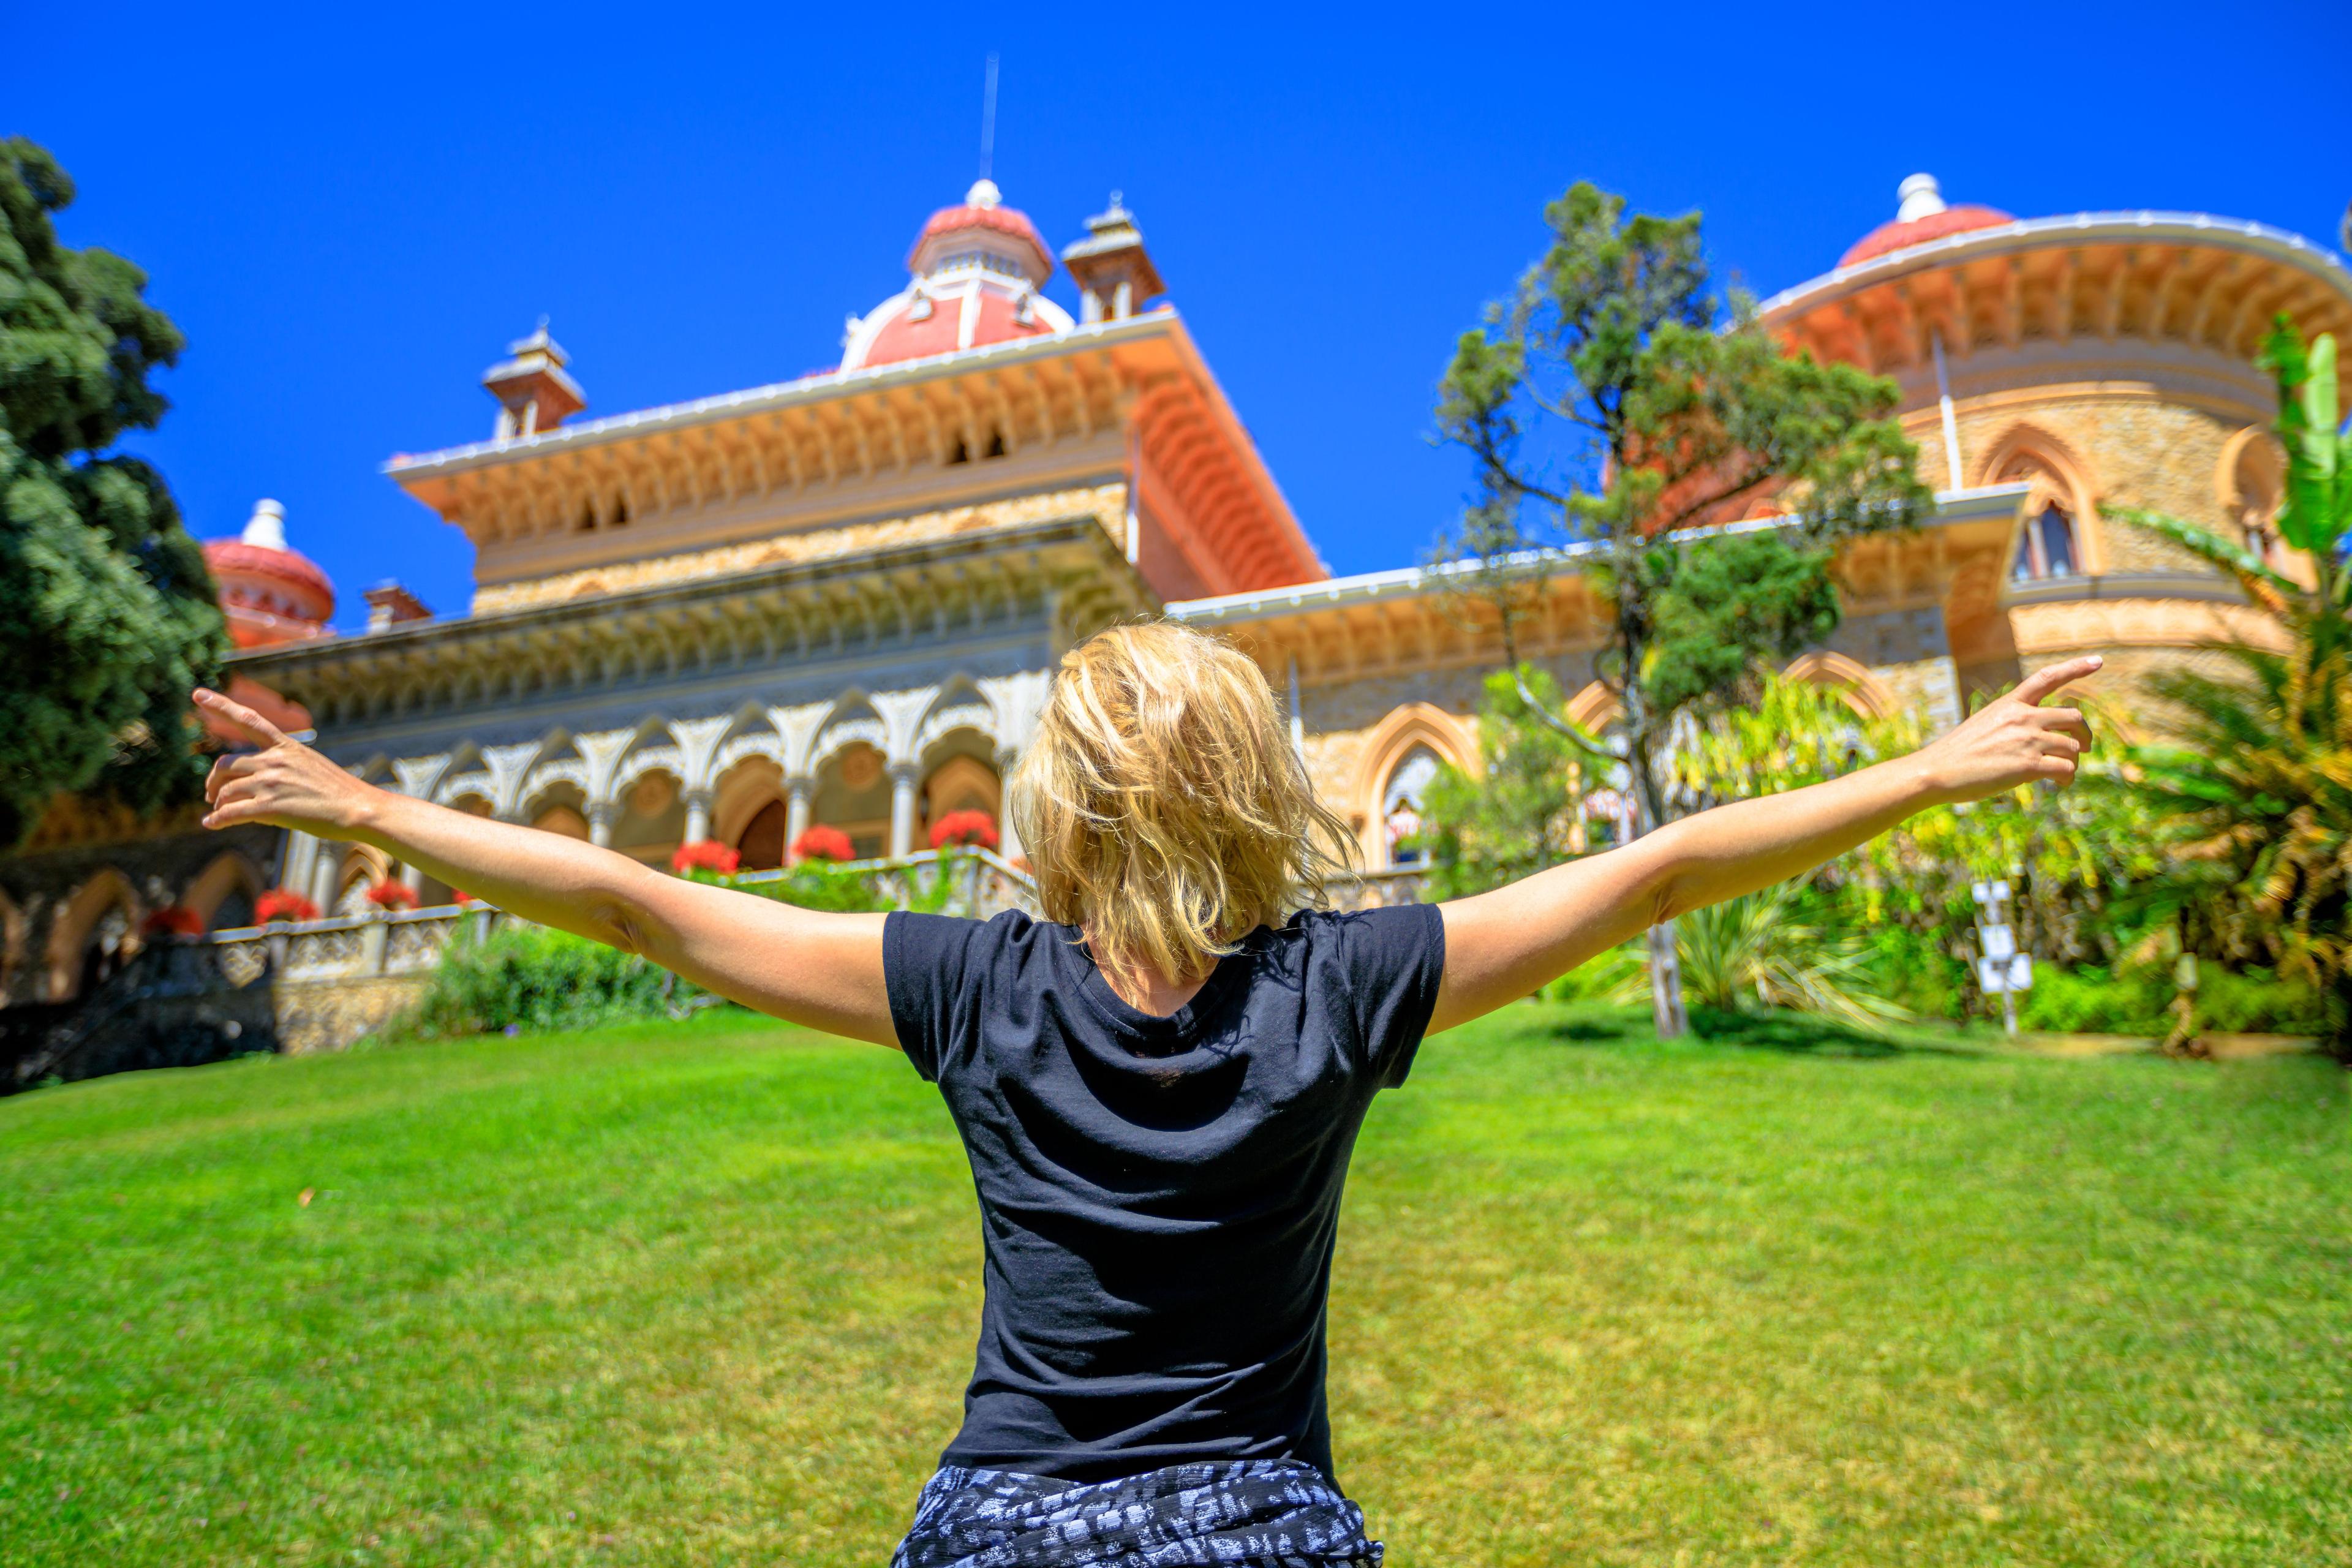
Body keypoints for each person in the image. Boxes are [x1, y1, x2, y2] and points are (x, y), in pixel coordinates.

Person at [195, 625, 2098, 1566]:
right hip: (1265, 1524)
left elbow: (648, 906)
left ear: (1053, 808)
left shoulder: (965, 985)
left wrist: (366, 809)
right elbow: (1665, 870)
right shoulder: (1349, 986)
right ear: (1257, 787)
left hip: (996, 1525)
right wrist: (1929, 774)